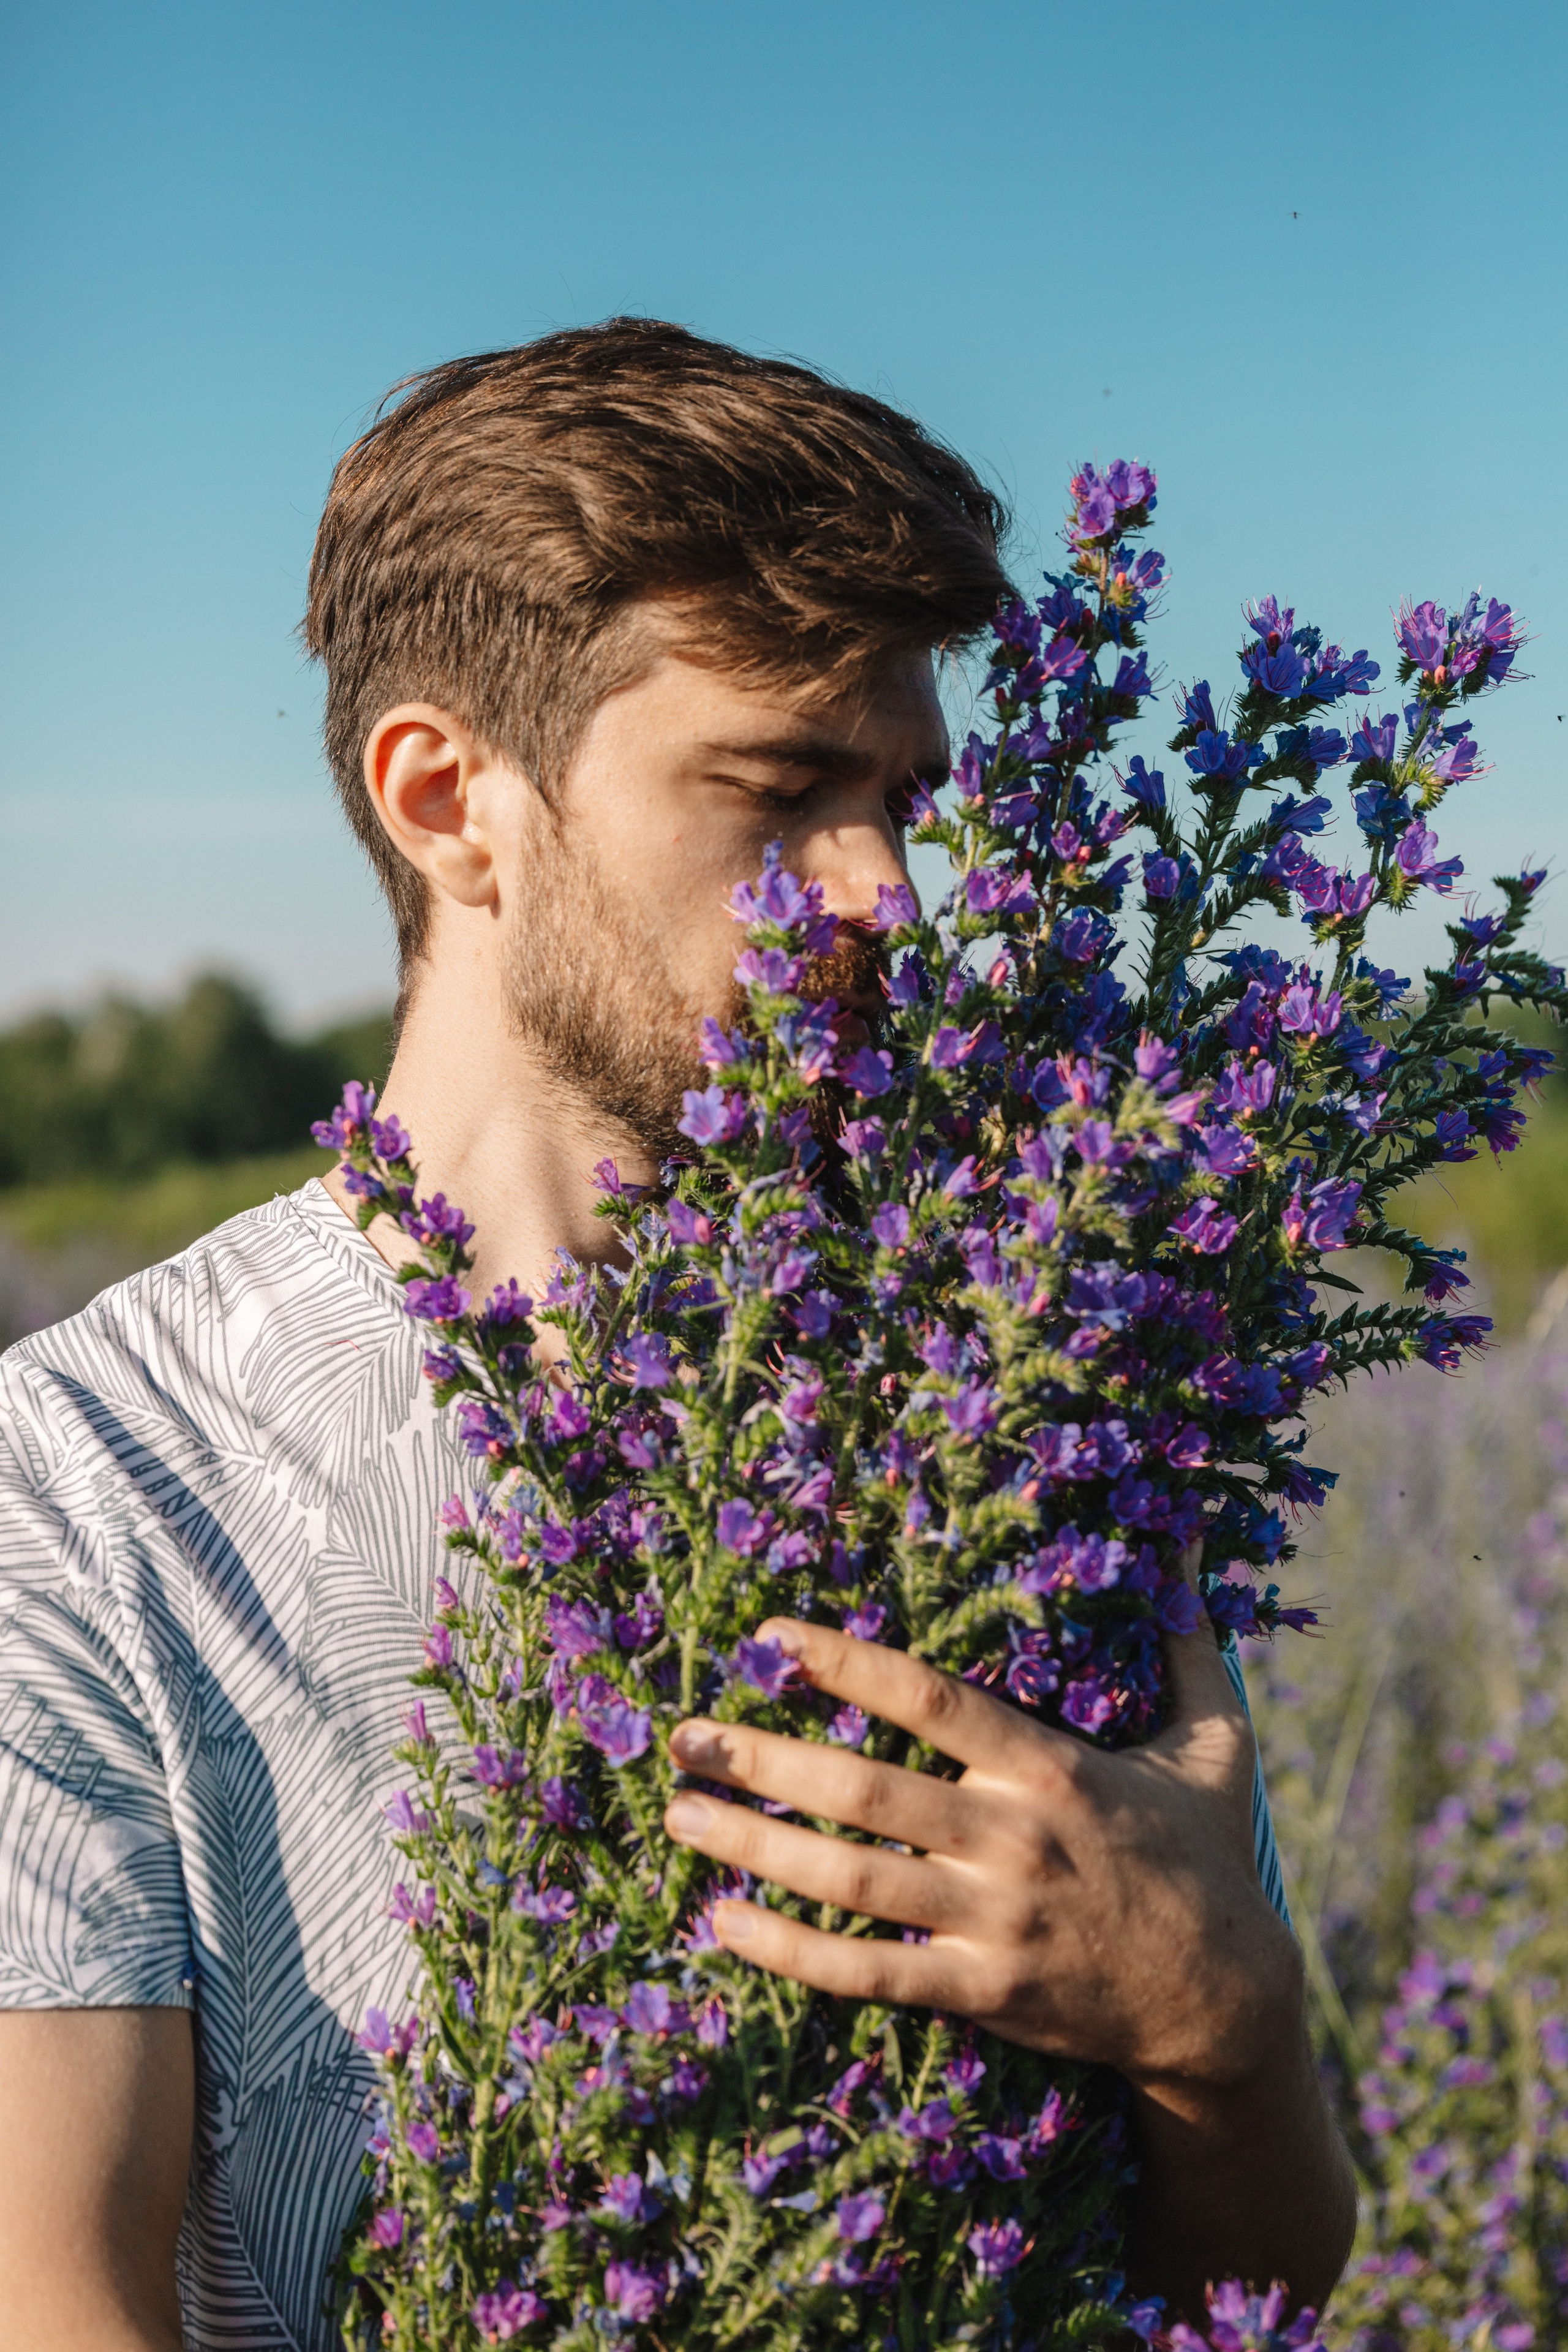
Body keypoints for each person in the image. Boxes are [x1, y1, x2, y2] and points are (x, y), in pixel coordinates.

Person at [0, 320, 1354, 2351]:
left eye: (903, 796)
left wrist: (1224, 2032)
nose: (887, 892)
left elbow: (1240, 2293)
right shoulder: (91, 1482)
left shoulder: (1012, 1410)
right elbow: (62, 2303)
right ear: (452, 798)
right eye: (780, 789)